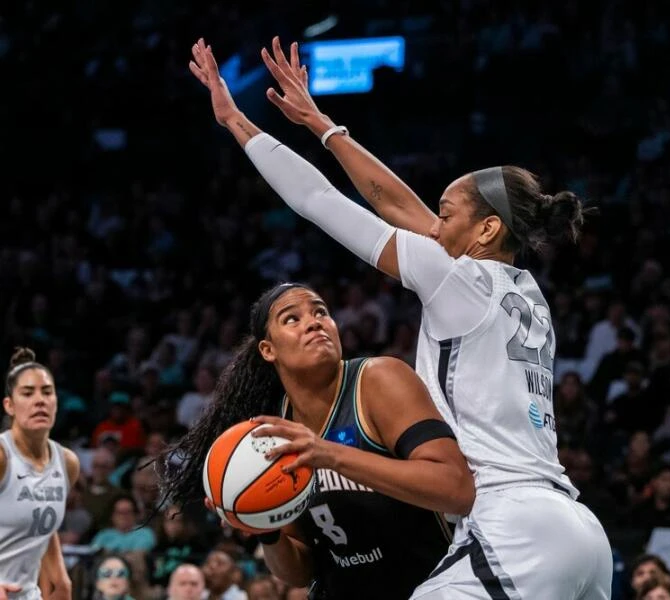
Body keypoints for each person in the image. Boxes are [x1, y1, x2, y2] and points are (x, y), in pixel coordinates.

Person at [187, 36, 612, 598]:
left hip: (513, 523)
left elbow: (320, 201)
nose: (433, 226)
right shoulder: (521, 288)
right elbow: (394, 204)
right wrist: (324, 126)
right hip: (576, 531)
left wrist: (240, 125)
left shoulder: (459, 280)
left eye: (446, 214)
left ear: (486, 231)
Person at [158, 283, 474, 599]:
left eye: (320, 311)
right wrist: (265, 531)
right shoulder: (273, 430)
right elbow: (301, 569)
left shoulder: (378, 380)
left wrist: (330, 455)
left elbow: (456, 489)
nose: (314, 322)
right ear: (268, 350)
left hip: (430, 588)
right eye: (291, 319)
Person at [0, 347, 80, 600]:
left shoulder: (67, 463)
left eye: (47, 392)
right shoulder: (2, 457)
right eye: (27, 393)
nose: (40, 400)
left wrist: (61, 580)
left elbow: (40, 524)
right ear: (9, 405)